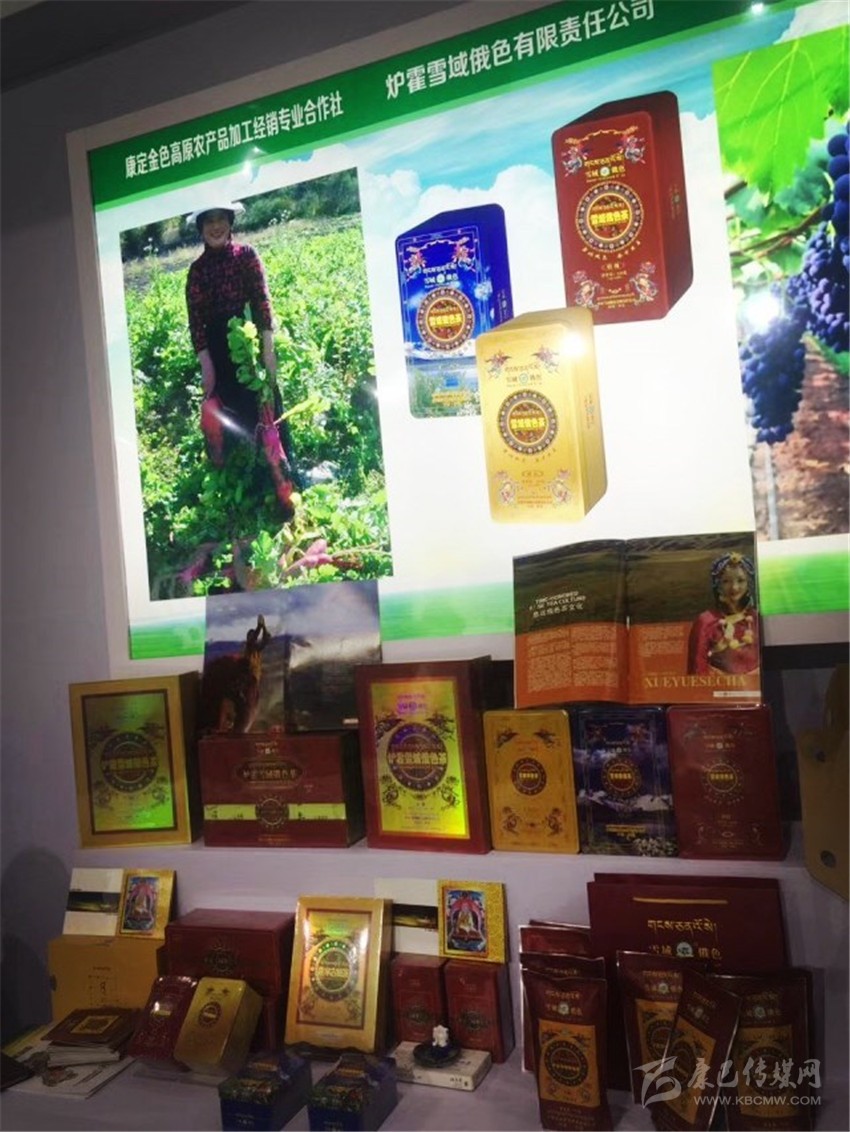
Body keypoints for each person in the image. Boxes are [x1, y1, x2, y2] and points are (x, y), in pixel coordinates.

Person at [185, 200, 294, 517]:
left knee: (266, 408)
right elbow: (196, 323)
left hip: (250, 344)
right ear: (200, 229)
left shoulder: (247, 256)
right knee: (233, 416)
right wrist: (207, 366)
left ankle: (279, 479)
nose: (215, 226)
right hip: (220, 352)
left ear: (230, 222)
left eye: (221, 219)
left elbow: (261, 303)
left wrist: (267, 349)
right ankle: (245, 480)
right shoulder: (197, 272)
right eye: (208, 221)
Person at [687, 551, 760, 675]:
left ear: (749, 584)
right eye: (726, 581)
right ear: (718, 584)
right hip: (719, 686)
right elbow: (697, 670)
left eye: (741, 580)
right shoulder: (706, 622)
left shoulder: (756, 618)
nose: (734, 587)